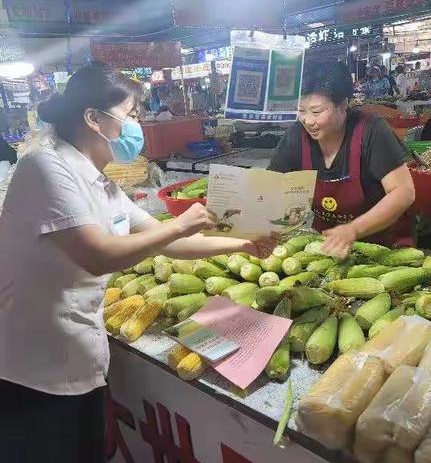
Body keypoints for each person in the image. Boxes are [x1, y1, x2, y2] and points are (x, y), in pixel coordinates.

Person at [0, 64, 276, 462]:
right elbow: (98, 256)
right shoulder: (45, 167)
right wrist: (178, 226)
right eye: (130, 115)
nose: (137, 126)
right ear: (93, 118)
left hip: (80, 357)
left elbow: (168, 245)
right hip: (35, 369)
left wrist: (241, 244)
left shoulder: (104, 185)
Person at [269, 62, 415, 259]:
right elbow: (269, 185)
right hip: (328, 249)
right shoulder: (297, 136)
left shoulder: (371, 131)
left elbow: (403, 192)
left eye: (317, 111)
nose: (307, 120)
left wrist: (353, 230)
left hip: (384, 249)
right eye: (301, 110)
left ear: (343, 105)